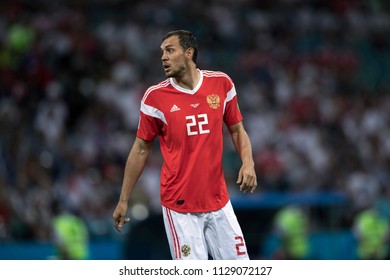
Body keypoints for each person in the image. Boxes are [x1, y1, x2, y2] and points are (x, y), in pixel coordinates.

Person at [112, 30, 257, 260]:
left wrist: (248, 163)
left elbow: (237, 130)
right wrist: (123, 200)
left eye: (170, 50)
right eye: (162, 53)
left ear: (188, 53)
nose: (163, 57)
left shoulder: (221, 83)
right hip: (180, 209)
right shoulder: (154, 97)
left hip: (219, 202)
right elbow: (140, 149)